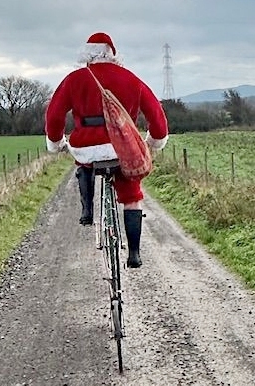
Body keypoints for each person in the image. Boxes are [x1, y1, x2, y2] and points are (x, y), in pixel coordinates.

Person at [45, 32, 169, 268]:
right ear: (112, 53)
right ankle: (134, 253)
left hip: (86, 147)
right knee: (132, 192)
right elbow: (156, 115)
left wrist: (57, 142)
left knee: (84, 164)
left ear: (87, 55)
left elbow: (54, 115)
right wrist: (154, 141)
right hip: (123, 147)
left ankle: (87, 209)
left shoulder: (74, 79)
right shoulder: (130, 78)